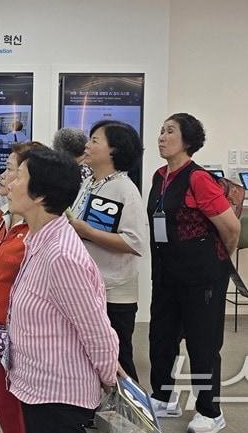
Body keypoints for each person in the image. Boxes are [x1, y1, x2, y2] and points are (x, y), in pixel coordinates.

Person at [5, 148, 119, 433]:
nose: (10, 183)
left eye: (19, 177)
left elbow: (95, 329)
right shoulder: (38, 240)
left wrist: (109, 377)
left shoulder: (61, 256)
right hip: (39, 386)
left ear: (40, 195)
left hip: (60, 396)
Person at [147, 113, 240, 433]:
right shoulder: (160, 176)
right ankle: (163, 396)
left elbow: (231, 228)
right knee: (161, 337)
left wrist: (216, 261)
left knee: (202, 343)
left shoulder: (198, 178)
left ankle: (210, 411)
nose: (161, 137)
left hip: (202, 274)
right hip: (166, 272)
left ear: (187, 140)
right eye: (160, 131)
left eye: (169, 131)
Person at [68, 120, 148, 383]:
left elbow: (134, 243)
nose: (87, 146)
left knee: (118, 358)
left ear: (114, 150)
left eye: (94, 140)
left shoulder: (124, 189)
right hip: (90, 285)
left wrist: (86, 232)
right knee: (91, 356)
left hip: (115, 290)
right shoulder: (90, 182)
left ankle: (134, 417)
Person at [0, 141, 44, 433]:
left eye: (12, 170)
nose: (3, 176)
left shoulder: (39, 232)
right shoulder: (1, 217)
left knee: (25, 414)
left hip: (24, 337)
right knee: (6, 408)